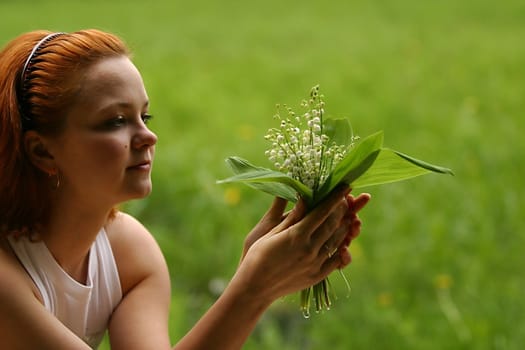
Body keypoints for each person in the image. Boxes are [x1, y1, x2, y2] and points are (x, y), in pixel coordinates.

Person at [0, 29, 371, 349]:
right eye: (115, 121)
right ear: (41, 150)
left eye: (144, 117)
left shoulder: (127, 252)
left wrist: (260, 280)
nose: (148, 136)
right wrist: (253, 288)